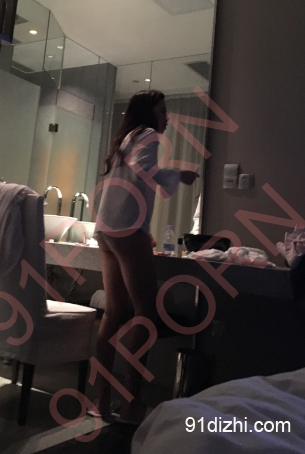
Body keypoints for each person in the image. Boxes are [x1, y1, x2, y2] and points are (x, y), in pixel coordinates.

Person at [90, 90, 198, 424]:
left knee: (113, 313)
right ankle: (131, 402)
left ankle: (101, 397)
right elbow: (143, 169)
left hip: (106, 229)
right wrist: (179, 175)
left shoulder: (126, 139)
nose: (167, 117)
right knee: (146, 313)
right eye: (163, 111)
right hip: (126, 230)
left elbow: (129, 182)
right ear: (149, 113)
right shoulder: (148, 134)